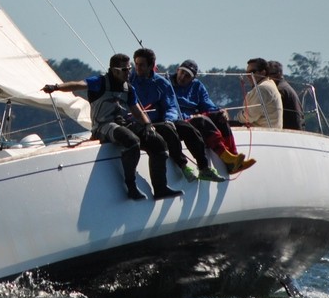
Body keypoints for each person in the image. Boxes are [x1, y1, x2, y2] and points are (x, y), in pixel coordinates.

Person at [43, 53, 181, 200]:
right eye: (125, 70)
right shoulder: (100, 82)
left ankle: (160, 188)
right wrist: (56, 87)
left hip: (122, 123)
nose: (129, 72)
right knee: (132, 141)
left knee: (158, 142)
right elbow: (78, 85)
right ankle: (131, 186)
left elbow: (137, 111)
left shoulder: (129, 88)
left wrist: (147, 125)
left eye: (129, 68)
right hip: (102, 126)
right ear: (114, 71)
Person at [129, 47, 223, 184]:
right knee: (168, 130)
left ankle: (204, 168)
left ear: (151, 66)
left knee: (188, 128)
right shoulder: (129, 80)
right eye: (136, 64)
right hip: (141, 124)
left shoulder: (161, 83)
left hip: (160, 121)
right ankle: (183, 166)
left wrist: (169, 119)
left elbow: (171, 106)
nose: (137, 68)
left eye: (141, 65)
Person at [170, 59, 255, 173]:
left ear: (193, 78)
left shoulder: (197, 86)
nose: (183, 77)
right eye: (182, 72)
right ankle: (226, 158)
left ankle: (234, 158)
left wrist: (220, 112)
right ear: (177, 70)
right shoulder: (167, 83)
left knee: (219, 116)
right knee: (201, 120)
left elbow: (207, 104)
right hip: (178, 121)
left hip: (193, 119)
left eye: (187, 75)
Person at [235, 57, 283, 128]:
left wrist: (236, 117)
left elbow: (249, 117)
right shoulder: (270, 84)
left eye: (252, 72)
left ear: (263, 72)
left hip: (262, 131)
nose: (248, 76)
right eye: (247, 73)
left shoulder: (262, 89)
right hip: (269, 130)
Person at [267, 60, 304, 130]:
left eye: (269, 74)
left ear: (279, 74)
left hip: (289, 130)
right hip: (296, 129)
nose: (267, 77)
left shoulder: (279, 90)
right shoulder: (284, 87)